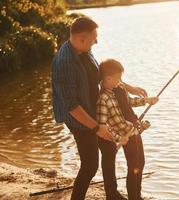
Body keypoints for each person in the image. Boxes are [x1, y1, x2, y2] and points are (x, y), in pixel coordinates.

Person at [51, 17, 147, 200]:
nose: (96, 41)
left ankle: (111, 194)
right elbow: (71, 106)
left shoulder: (85, 52)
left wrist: (129, 88)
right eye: (94, 37)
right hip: (79, 120)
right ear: (81, 38)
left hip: (95, 112)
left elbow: (104, 78)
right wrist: (97, 128)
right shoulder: (64, 63)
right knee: (90, 165)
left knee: (110, 150)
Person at [96, 59, 158, 200]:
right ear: (108, 78)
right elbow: (103, 126)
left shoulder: (119, 88)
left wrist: (147, 101)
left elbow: (129, 102)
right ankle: (133, 197)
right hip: (125, 136)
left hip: (134, 132)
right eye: (118, 78)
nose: (120, 81)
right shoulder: (103, 99)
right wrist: (119, 138)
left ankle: (137, 195)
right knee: (133, 166)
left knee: (140, 163)